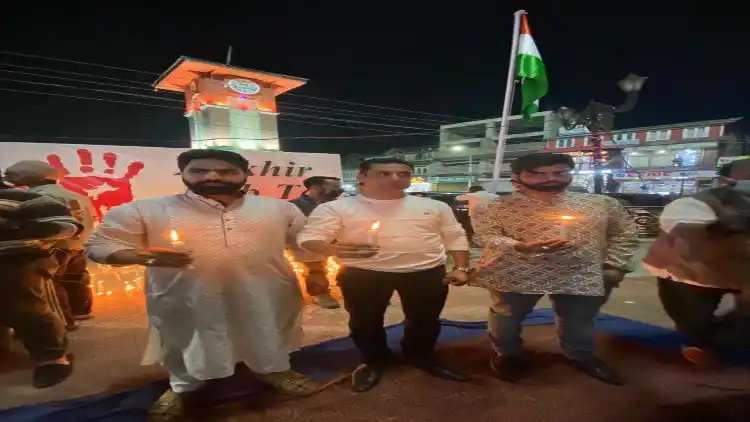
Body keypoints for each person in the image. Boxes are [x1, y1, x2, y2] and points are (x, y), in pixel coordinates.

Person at [84, 149, 317, 418]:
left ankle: (274, 369)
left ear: (244, 175)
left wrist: (317, 273)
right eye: (199, 170)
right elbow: (101, 245)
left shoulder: (279, 208)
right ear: (182, 174)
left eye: (226, 171)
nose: (213, 176)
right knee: (185, 338)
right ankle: (182, 386)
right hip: (185, 295)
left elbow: (304, 244)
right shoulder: (144, 210)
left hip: (267, 290)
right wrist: (137, 255)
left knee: (268, 328)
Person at [298, 157, 471, 393]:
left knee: (425, 320)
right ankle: (374, 360)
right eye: (384, 173)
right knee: (365, 323)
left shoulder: (434, 206)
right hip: (364, 273)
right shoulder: (336, 208)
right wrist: (333, 249)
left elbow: (455, 235)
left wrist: (461, 268)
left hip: (426, 272)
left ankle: (421, 355)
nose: (395, 178)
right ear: (362, 177)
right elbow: (309, 238)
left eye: (403, 174)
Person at [472, 153, 638, 386]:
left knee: (579, 321)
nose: (550, 178)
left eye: (559, 172)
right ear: (517, 177)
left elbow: (625, 233)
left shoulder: (601, 204)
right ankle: (506, 355)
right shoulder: (494, 207)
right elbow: (485, 237)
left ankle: (580, 356)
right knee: (506, 320)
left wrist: (615, 265)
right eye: (537, 174)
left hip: (581, 272)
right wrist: (519, 245)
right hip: (516, 272)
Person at [642, 159, 750, 366]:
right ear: (726, 180)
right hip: (689, 273)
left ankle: (710, 342)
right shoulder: (696, 204)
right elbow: (687, 234)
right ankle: (700, 343)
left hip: (739, 272)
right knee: (692, 321)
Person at [0, 168, 79, 388]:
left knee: (27, 309)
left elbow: (65, 225)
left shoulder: (23, 198)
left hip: (16, 261)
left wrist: (10, 235)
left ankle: (53, 359)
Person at [5, 160, 96, 328]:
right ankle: (81, 310)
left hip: (54, 246)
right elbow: (91, 220)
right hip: (78, 244)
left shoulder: (35, 198)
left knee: (52, 284)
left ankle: (64, 321)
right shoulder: (78, 196)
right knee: (76, 278)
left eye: (11, 176)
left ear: (28, 177)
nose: (7, 179)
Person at [290, 176, 344, 309]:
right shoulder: (294, 206)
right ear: (314, 187)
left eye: (338, 185)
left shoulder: (338, 204)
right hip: (309, 244)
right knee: (315, 265)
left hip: (336, 241)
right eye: (333, 186)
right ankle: (319, 293)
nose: (338, 189)